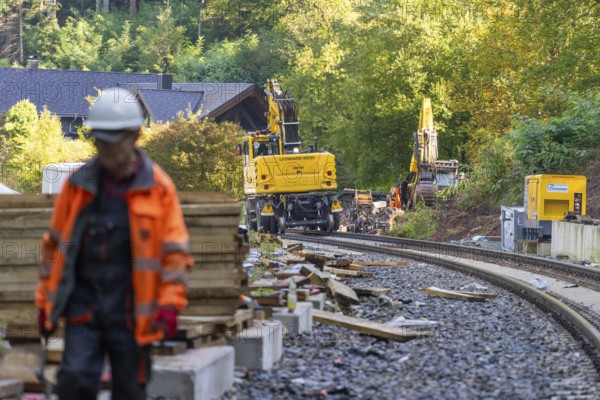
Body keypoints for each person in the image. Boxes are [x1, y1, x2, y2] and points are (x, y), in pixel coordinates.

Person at [35, 87, 194, 400]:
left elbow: (175, 253)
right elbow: (53, 247)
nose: (105, 149)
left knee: (130, 390)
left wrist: (169, 304)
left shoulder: (158, 188)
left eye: (113, 141)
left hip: (132, 314)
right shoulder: (77, 186)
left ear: (135, 136)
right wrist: (45, 304)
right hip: (84, 309)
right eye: (99, 141)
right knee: (75, 382)